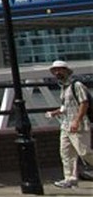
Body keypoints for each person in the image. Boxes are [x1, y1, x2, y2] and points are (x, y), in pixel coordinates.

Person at [48, 59, 93, 188]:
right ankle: (70, 178)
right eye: (55, 70)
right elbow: (65, 107)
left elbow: (84, 103)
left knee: (84, 152)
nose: (57, 72)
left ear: (66, 71)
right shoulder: (63, 87)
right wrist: (55, 112)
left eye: (59, 69)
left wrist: (77, 120)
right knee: (66, 153)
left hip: (79, 124)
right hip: (65, 125)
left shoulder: (76, 85)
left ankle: (71, 178)